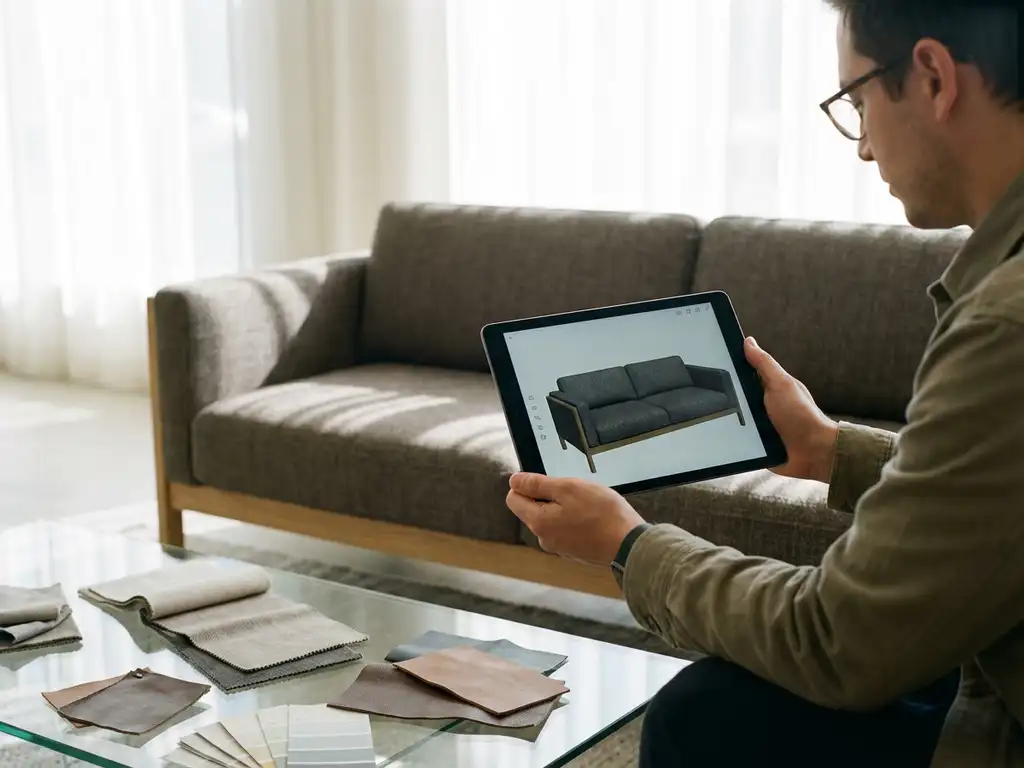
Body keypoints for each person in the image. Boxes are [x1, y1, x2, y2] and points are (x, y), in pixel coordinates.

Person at [506, 2, 1024, 766]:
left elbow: (834, 641)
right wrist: (827, 450)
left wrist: (626, 546)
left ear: (934, 77)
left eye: (855, 99)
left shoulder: (1003, 327)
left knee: (706, 716)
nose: (862, 149)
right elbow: (994, 501)